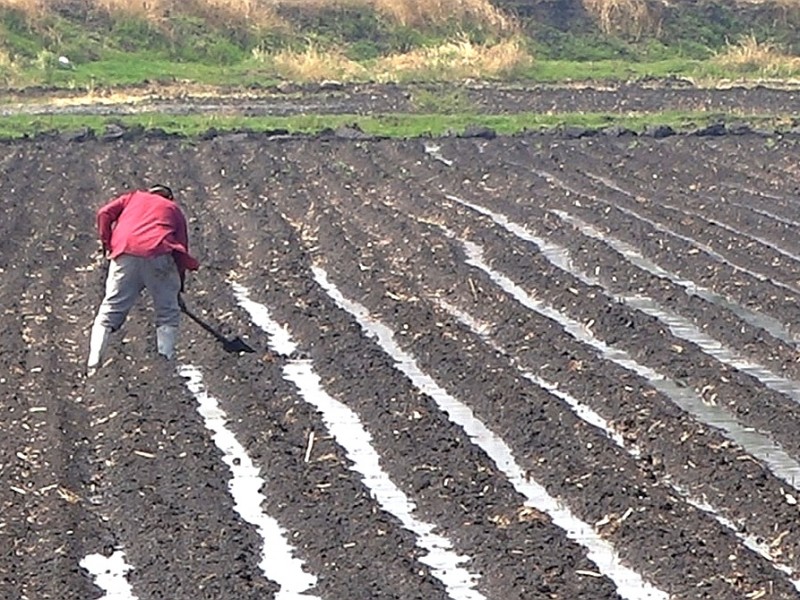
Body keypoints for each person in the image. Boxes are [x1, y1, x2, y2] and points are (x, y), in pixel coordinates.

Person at [86, 184, 200, 376]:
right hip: (159, 254)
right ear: (170, 197)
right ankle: (166, 366)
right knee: (167, 313)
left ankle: (93, 364)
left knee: (110, 309)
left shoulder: (132, 198)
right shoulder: (174, 210)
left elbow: (104, 213)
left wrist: (107, 244)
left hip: (125, 253)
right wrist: (178, 288)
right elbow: (181, 250)